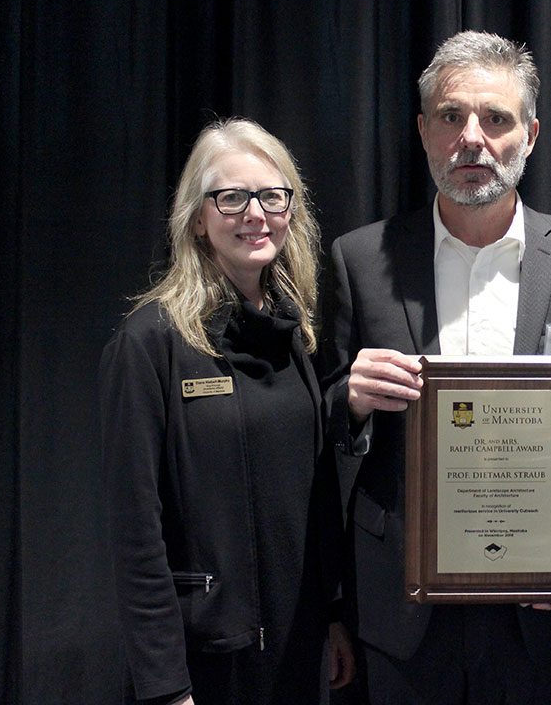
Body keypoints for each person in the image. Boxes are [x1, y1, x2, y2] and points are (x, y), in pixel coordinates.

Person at [321, 31, 551, 704]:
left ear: (532, 134)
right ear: (424, 131)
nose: (472, 139)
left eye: (496, 119)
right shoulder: (361, 260)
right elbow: (317, 417)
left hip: (538, 604)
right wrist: (351, 398)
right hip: (402, 605)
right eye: (452, 118)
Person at [99, 118, 354, 705]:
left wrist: (334, 612)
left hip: (302, 647)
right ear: (197, 219)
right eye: (232, 198)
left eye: (272, 195)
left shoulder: (297, 336)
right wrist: (165, 687)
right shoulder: (150, 344)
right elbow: (135, 535)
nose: (255, 214)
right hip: (208, 662)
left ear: (292, 211)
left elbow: (313, 496)